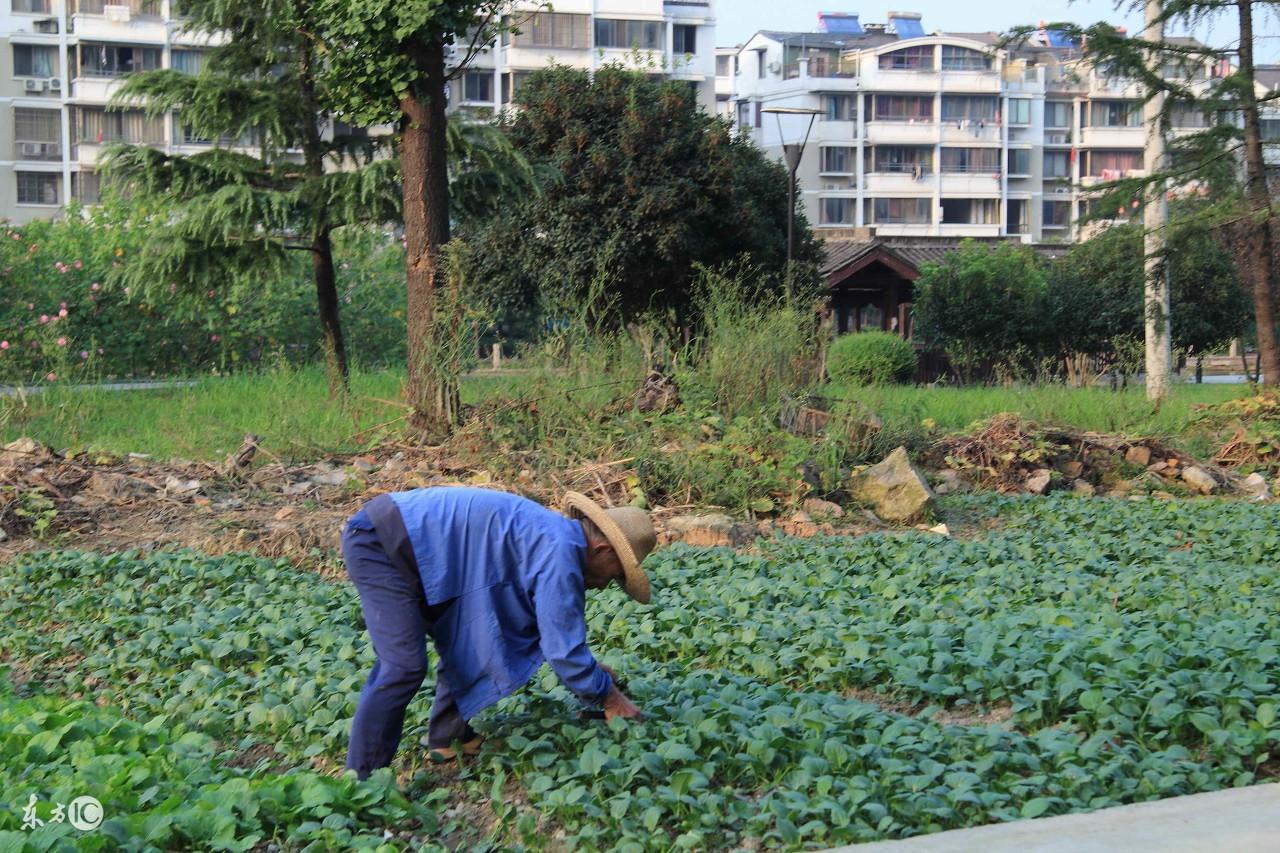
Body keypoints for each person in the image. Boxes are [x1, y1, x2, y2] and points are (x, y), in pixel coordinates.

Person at [340, 486, 655, 779]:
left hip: (408, 543)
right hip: (381, 544)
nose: (604, 585)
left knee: (474, 632)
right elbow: (563, 650)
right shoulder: (559, 553)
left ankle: (448, 737)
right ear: (603, 550)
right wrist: (608, 696)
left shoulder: (550, 538)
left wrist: (589, 670)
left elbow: (528, 631)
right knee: (403, 665)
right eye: (615, 575)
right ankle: (361, 781)